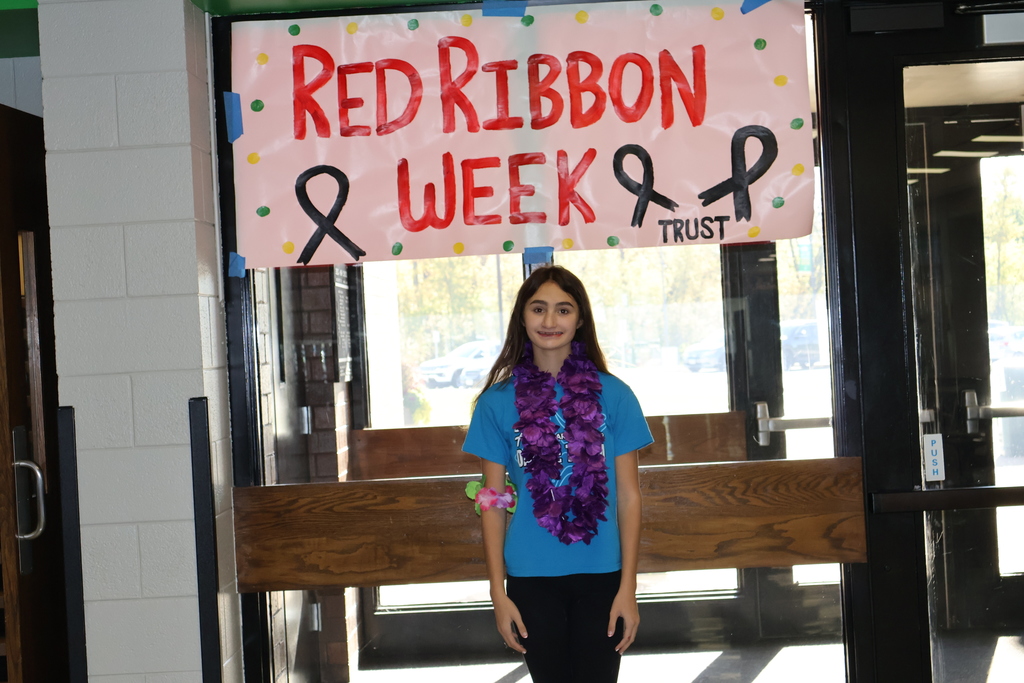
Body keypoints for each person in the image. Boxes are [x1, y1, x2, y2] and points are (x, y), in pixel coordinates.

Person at [463, 265, 654, 683]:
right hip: (530, 578)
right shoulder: (495, 404)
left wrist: (628, 588)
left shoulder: (615, 395)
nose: (550, 321)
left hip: (603, 575)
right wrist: (498, 593)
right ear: (522, 317)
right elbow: (493, 503)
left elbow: (629, 496)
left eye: (563, 310)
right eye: (539, 309)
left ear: (580, 319)